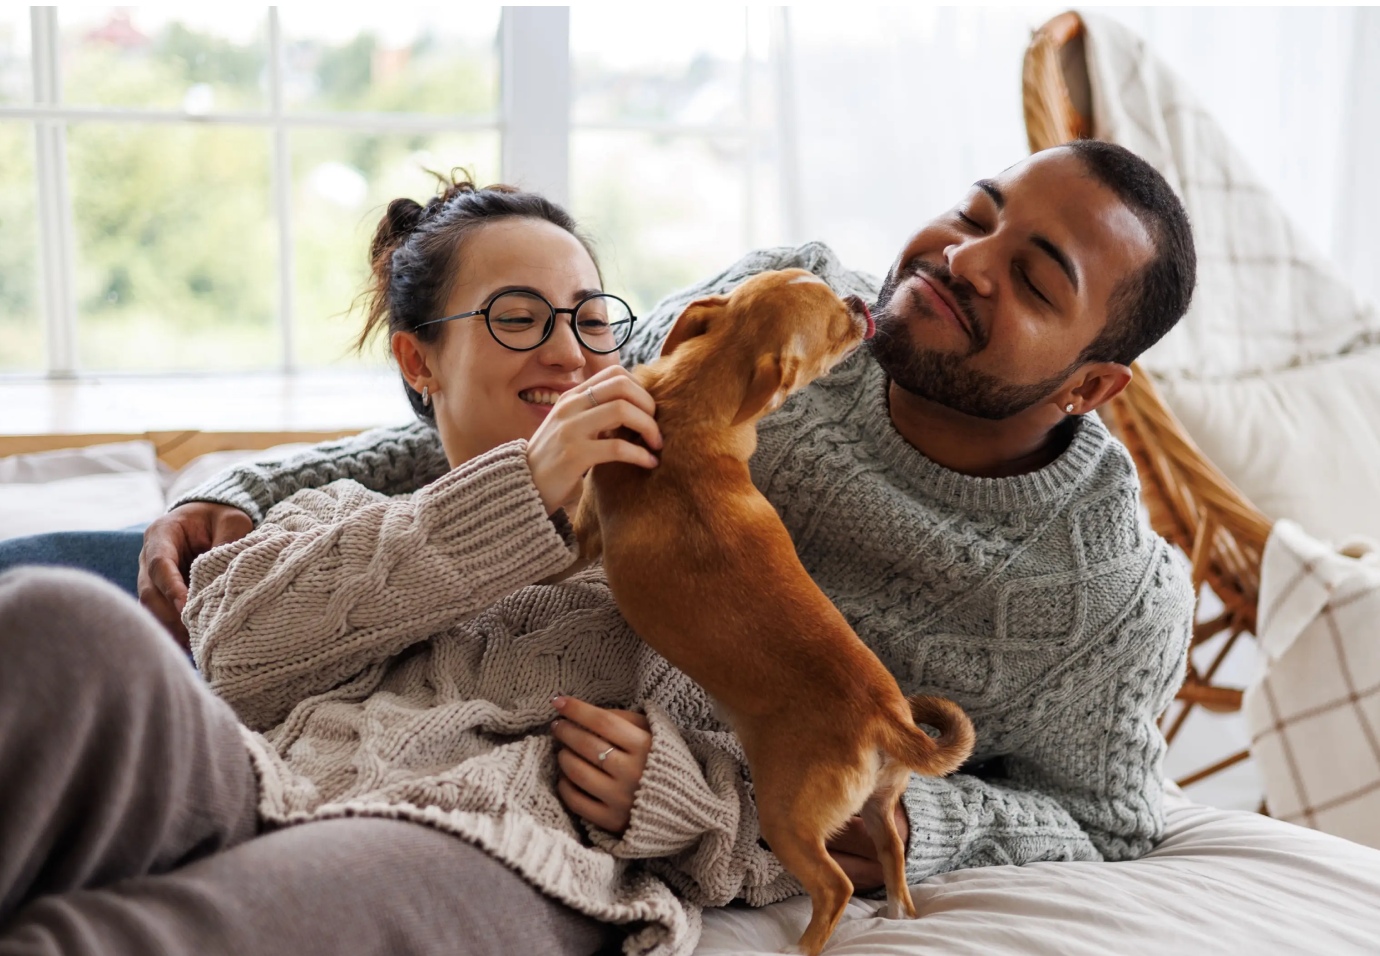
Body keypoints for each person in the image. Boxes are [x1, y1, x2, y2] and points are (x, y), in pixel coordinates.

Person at [144, 140, 1199, 887]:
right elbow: (552, 420)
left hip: (537, 705)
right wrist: (240, 488)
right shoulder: (785, 301)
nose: (964, 256)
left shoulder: (1111, 597)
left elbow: (1101, 820)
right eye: (977, 212)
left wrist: (789, 802)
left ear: (1090, 385)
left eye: (1031, 277)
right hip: (408, 564)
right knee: (69, 603)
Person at [0, 177, 782, 956]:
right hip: (256, 788)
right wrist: (521, 488)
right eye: (518, 318)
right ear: (419, 362)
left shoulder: (674, 575)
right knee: (60, 620)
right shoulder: (337, 515)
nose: (570, 351)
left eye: (590, 318)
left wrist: (676, 792)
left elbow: (785, 802)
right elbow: (233, 660)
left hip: (491, 845)